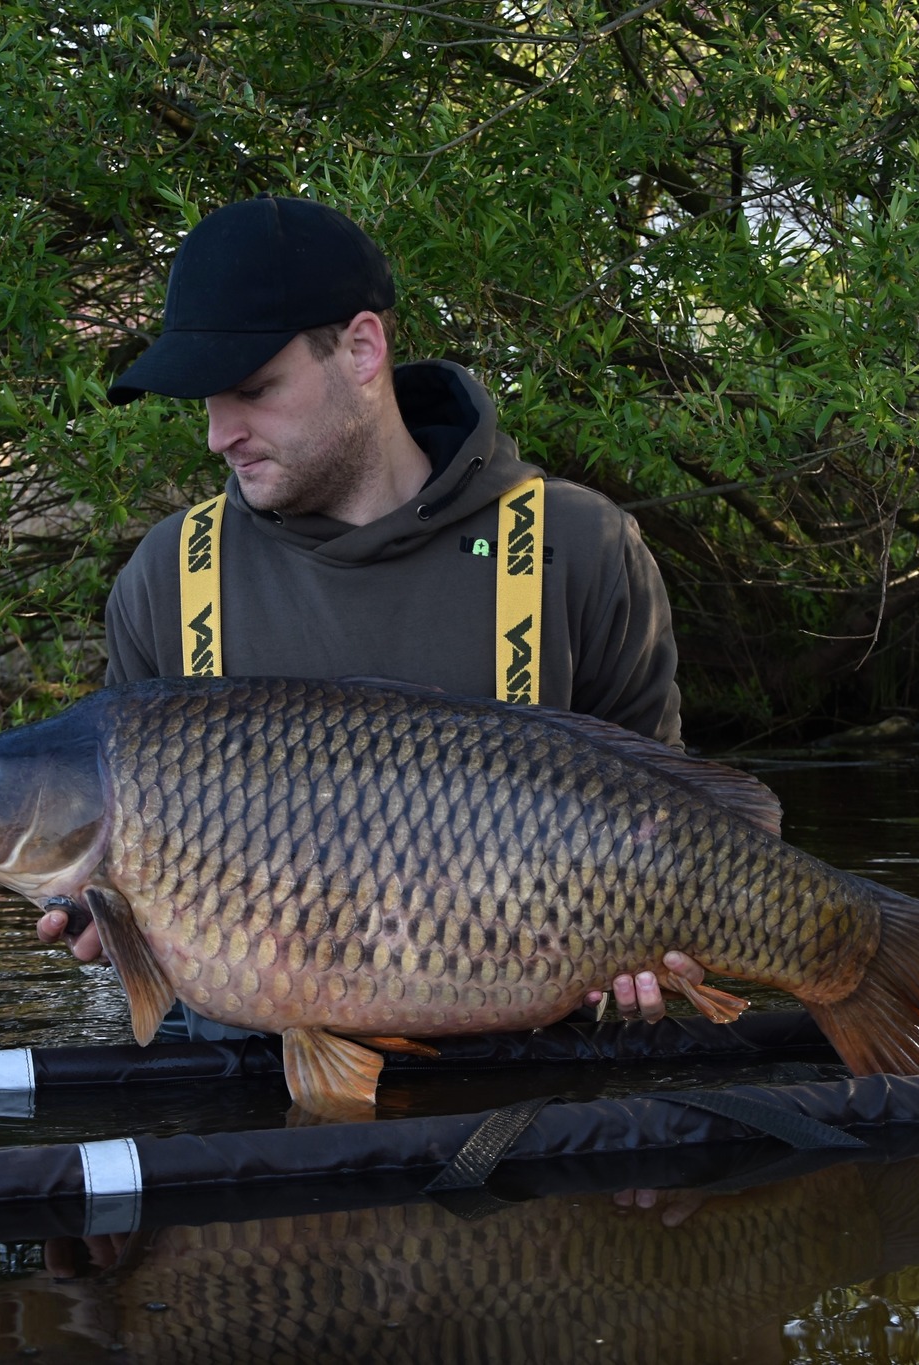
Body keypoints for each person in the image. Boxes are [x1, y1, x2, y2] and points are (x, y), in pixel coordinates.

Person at [35, 194, 702, 1026]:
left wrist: (654, 970)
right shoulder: (168, 577)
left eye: (251, 389)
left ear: (360, 349)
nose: (218, 434)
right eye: (205, 402)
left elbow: (674, 830)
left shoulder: (579, 547)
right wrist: (106, 913)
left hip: (531, 1088)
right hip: (254, 1105)